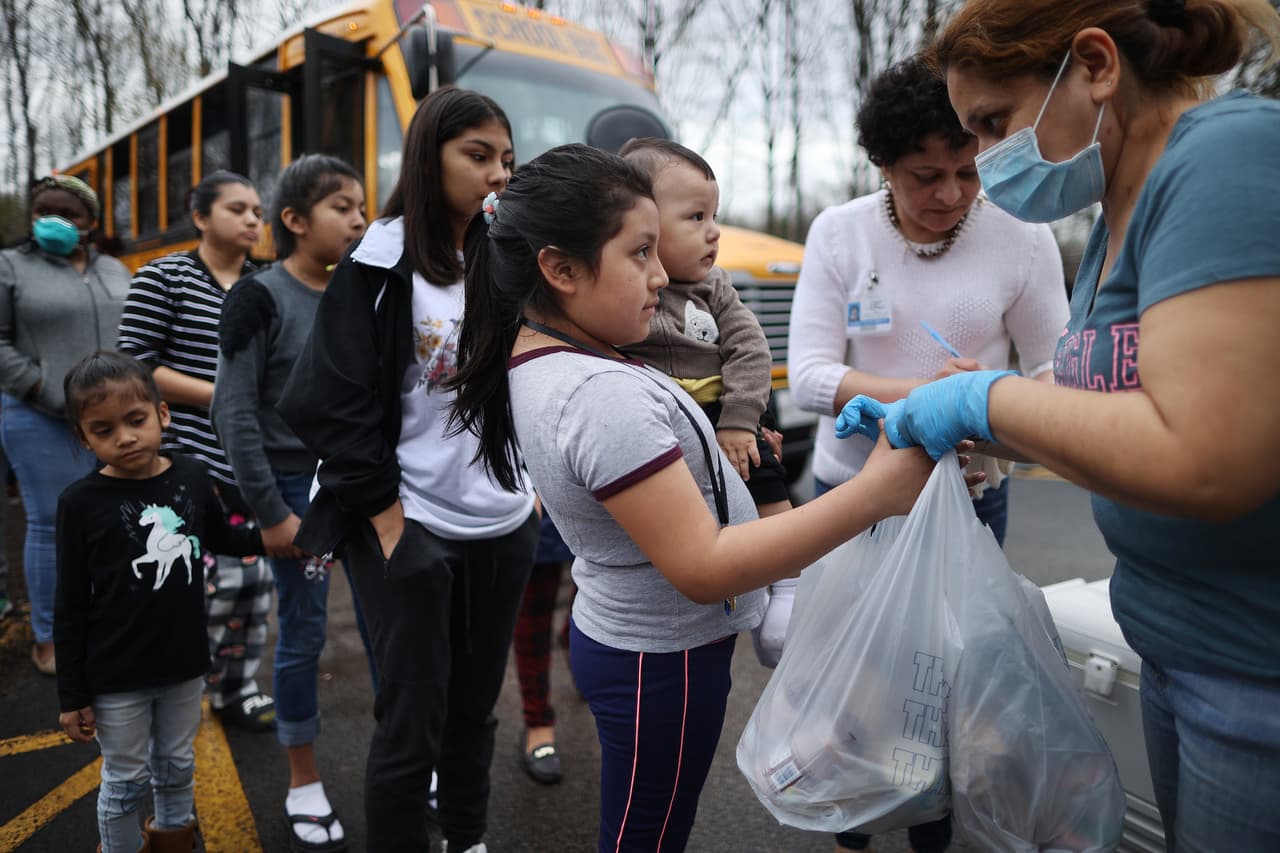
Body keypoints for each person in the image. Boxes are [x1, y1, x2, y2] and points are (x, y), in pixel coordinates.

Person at [835, 2, 1280, 849]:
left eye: (994, 124)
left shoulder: (1229, 154)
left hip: (1253, 670)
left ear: (1096, 66)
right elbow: (1113, 420)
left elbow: (1209, 456)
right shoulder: (1114, 216)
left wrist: (982, 401)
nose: (986, 160)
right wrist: (954, 417)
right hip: (1170, 638)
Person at [448, 143, 970, 853]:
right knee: (646, 838)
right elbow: (705, 564)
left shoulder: (563, 354)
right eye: (639, 254)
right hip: (659, 660)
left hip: (643, 646)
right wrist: (877, 491)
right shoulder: (599, 394)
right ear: (560, 268)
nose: (661, 275)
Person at [789, 57, 1068, 852]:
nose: (949, 194)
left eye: (967, 172)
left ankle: (931, 823)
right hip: (855, 496)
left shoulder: (1023, 234)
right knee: (857, 675)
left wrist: (991, 389)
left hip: (970, 496)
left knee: (942, 679)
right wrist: (928, 403)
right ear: (882, 165)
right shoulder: (841, 232)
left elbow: (1055, 373)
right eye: (924, 176)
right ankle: (854, 815)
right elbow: (808, 374)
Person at [277, 87, 538, 853]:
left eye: (508, 160)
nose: (498, 175)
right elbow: (338, 405)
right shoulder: (379, 259)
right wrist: (392, 527)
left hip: (503, 524)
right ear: (431, 158)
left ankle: (467, 836)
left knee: (474, 712)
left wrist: (535, 496)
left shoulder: (512, 257)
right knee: (411, 717)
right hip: (407, 523)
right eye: (478, 155)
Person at [212, 154, 368, 853]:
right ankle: (303, 778)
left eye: (362, 206)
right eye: (342, 206)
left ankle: (412, 764)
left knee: (389, 630)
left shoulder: (360, 292)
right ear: (295, 221)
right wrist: (273, 512)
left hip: (360, 483)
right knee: (302, 634)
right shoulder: (258, 296)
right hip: (289, 489)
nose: (359, 219)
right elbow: (232, 411)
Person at [53, 351, 264, 853]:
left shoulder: (191, 475)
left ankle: (172, 839)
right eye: (103, 430)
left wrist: (278, 536)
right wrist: (71, 695)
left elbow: (220, 537)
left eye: (136, 420)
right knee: (124, 782)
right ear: (84, 439)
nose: (124, 437)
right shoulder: (79, 504)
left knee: (176, 764)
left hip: (185, 663)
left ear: (162, 414)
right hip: (115, 674)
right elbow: (69, 604)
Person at [616, 138, 798, 667]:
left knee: (764, 477)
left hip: (724, 412)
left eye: (714, 214)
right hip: (661, 418)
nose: (714, 231)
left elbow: (749, 346)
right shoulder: (625, 289)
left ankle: (786, 588)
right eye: (696, 216)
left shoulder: (714, 287)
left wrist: (742, 420)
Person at [117, 170, 277, 732]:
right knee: (193, 585)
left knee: (253, 586)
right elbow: (133, 367)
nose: (253, 220)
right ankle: (170, 694)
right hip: (185, 456)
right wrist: (225, 395)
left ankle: (236, 690)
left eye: (257, 210)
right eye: (237, 209)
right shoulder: (165, 278)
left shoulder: (266, 282)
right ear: (201, 216)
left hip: (252, 460)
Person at [0, 174, 131, 675]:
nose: (52, 222)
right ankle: (51, 638)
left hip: (114, 421)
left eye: (68, 214)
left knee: (116, 521)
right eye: (42, 212)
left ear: (92, 223)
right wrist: (43, 390)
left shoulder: (116, 269)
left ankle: (112, 619)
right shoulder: (11, 266)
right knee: (51, 526)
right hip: (40, 417)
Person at [513, 512, 573, 784]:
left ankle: (572, 639)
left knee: (599, 582)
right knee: (534, 615)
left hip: (599, 485)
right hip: (533, 487)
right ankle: (537, 720)